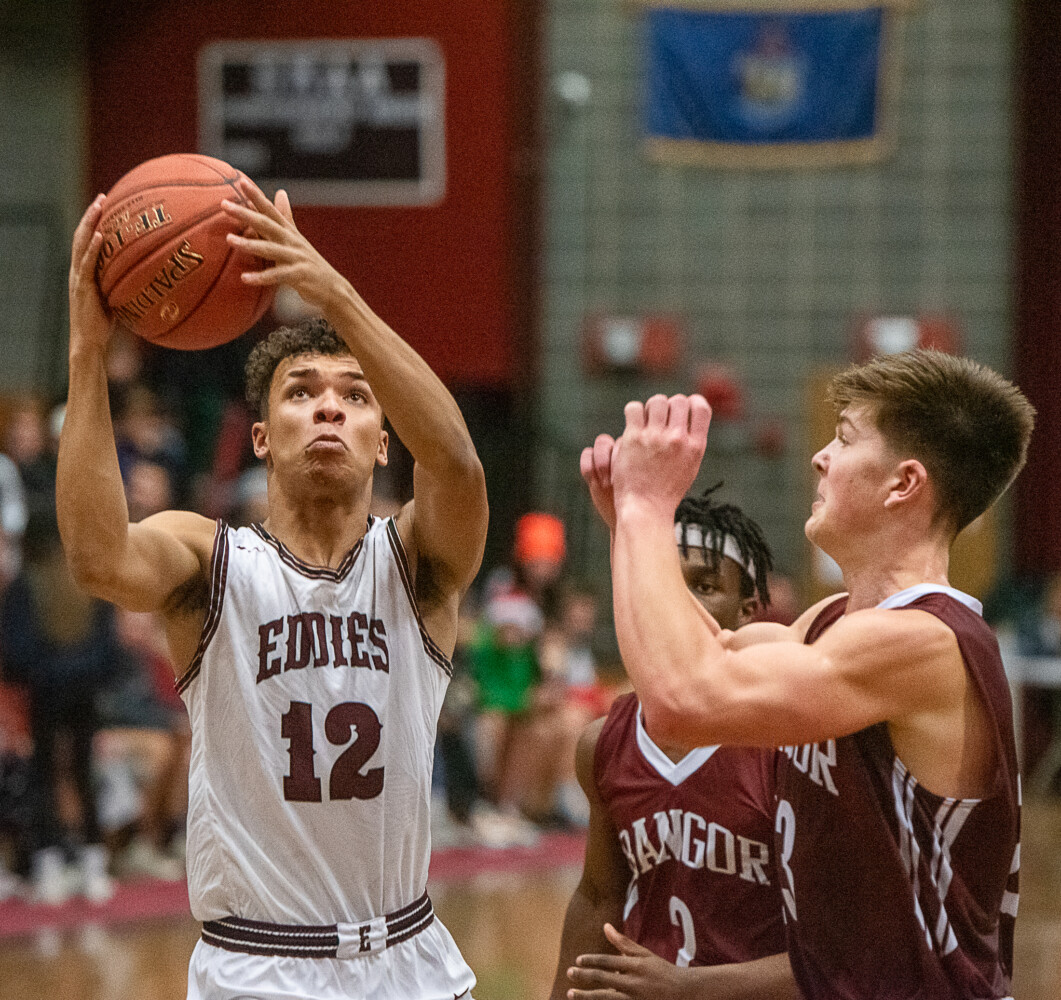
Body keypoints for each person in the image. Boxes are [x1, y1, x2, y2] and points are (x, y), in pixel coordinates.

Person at [58, 183, 488, 999]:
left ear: (384, 444)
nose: (329, 406)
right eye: (301, 393)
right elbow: (97, 558)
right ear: (261, 437)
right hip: (259, 965)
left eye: (356, 396)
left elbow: (459, 465)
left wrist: (335, 292)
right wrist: (87, 356)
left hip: (412, 958)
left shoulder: (419, 562)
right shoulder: (208, 559)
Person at [579, 350, 1034, 999]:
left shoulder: (924, 644)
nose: (820, 456)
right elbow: (712, 656)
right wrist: (630, 525)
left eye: (844, 439)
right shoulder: (830, 625)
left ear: (902, 484)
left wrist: (648, 512)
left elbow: (682, 699)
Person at [552, 487, 796, 1000]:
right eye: (668, 583)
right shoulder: (604, 743)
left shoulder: (793, 744)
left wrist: (687, 988)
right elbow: (598, 897)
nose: (682, 603)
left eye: (705, 585)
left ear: (748, 609)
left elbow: (834, 953)